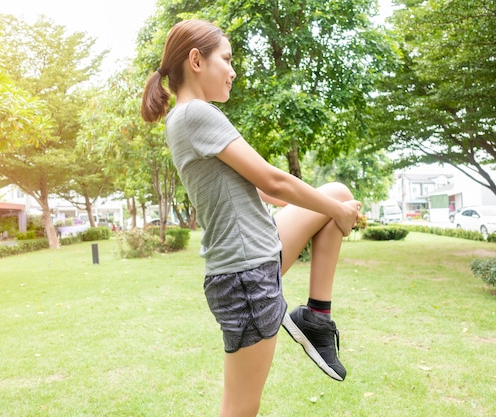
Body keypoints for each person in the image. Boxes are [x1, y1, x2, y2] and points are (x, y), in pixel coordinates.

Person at [141, 19, 361, 417]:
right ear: (196, 60)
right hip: (246, 277)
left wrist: (330, 208)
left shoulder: (188, 117)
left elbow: (258, 189)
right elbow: (272, 181)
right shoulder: (194, 114)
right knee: (240, 410)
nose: (233, 70)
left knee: (336, 193)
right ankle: (314, 317)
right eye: (226, 59)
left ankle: (316, 316)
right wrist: (337, 215)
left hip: (258, 254)